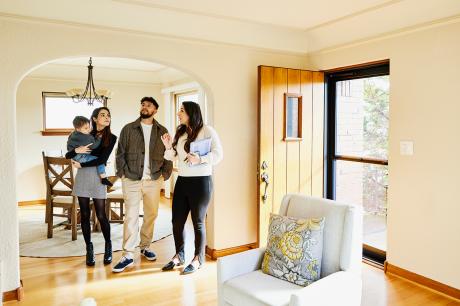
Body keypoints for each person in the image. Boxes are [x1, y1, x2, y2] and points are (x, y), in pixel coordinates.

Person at [160, 101, 223, 274]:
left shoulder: (207, 130)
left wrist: (200, 159)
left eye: (181, 110)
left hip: (201, 182)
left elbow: (219, 154)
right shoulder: (180, 132)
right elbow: (173, 156)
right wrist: (167, 146)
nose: (178, 113)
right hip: (182, 181)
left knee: (198, 222)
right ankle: (179, 256)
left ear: (191, 113)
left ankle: (198, 259)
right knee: (177, 221)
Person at [112, 96, 173, 273]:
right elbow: (120, 152)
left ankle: (145, 246)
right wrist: (121, 173)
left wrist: (165, 174)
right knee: (131, 216)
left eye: (149, 105)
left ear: (155, 110)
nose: (144, 107)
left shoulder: (162, 130)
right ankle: (128, 254)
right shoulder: (129, 129)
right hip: (131, 178)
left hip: (154, 180)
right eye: (143, 105)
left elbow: (169, 151)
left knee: (151, 215)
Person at [65, 107, 117, 266]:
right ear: (94, 119)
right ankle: (89, 248)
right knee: (85, 215)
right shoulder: (85, 133)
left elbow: (102, 159)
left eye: (108, 115)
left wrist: (81, 164)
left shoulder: (112, 137)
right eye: (103, 115)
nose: (107, 117)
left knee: (101, 215)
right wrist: (76, 150)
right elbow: (68, 155)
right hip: (82, 178)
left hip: (97, 177)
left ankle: (108, 246)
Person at [67, 115, 113, 187]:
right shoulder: (84, 137)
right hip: (81, 157)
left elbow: (68, 151)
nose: (88, 130)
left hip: (75, 157)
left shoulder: (73, 134)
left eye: (89, 127)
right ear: (78, 129)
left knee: (100, 161)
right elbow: (94, 145)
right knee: (100, 161)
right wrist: (99, 138)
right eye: (86, 128)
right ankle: (104, 178)